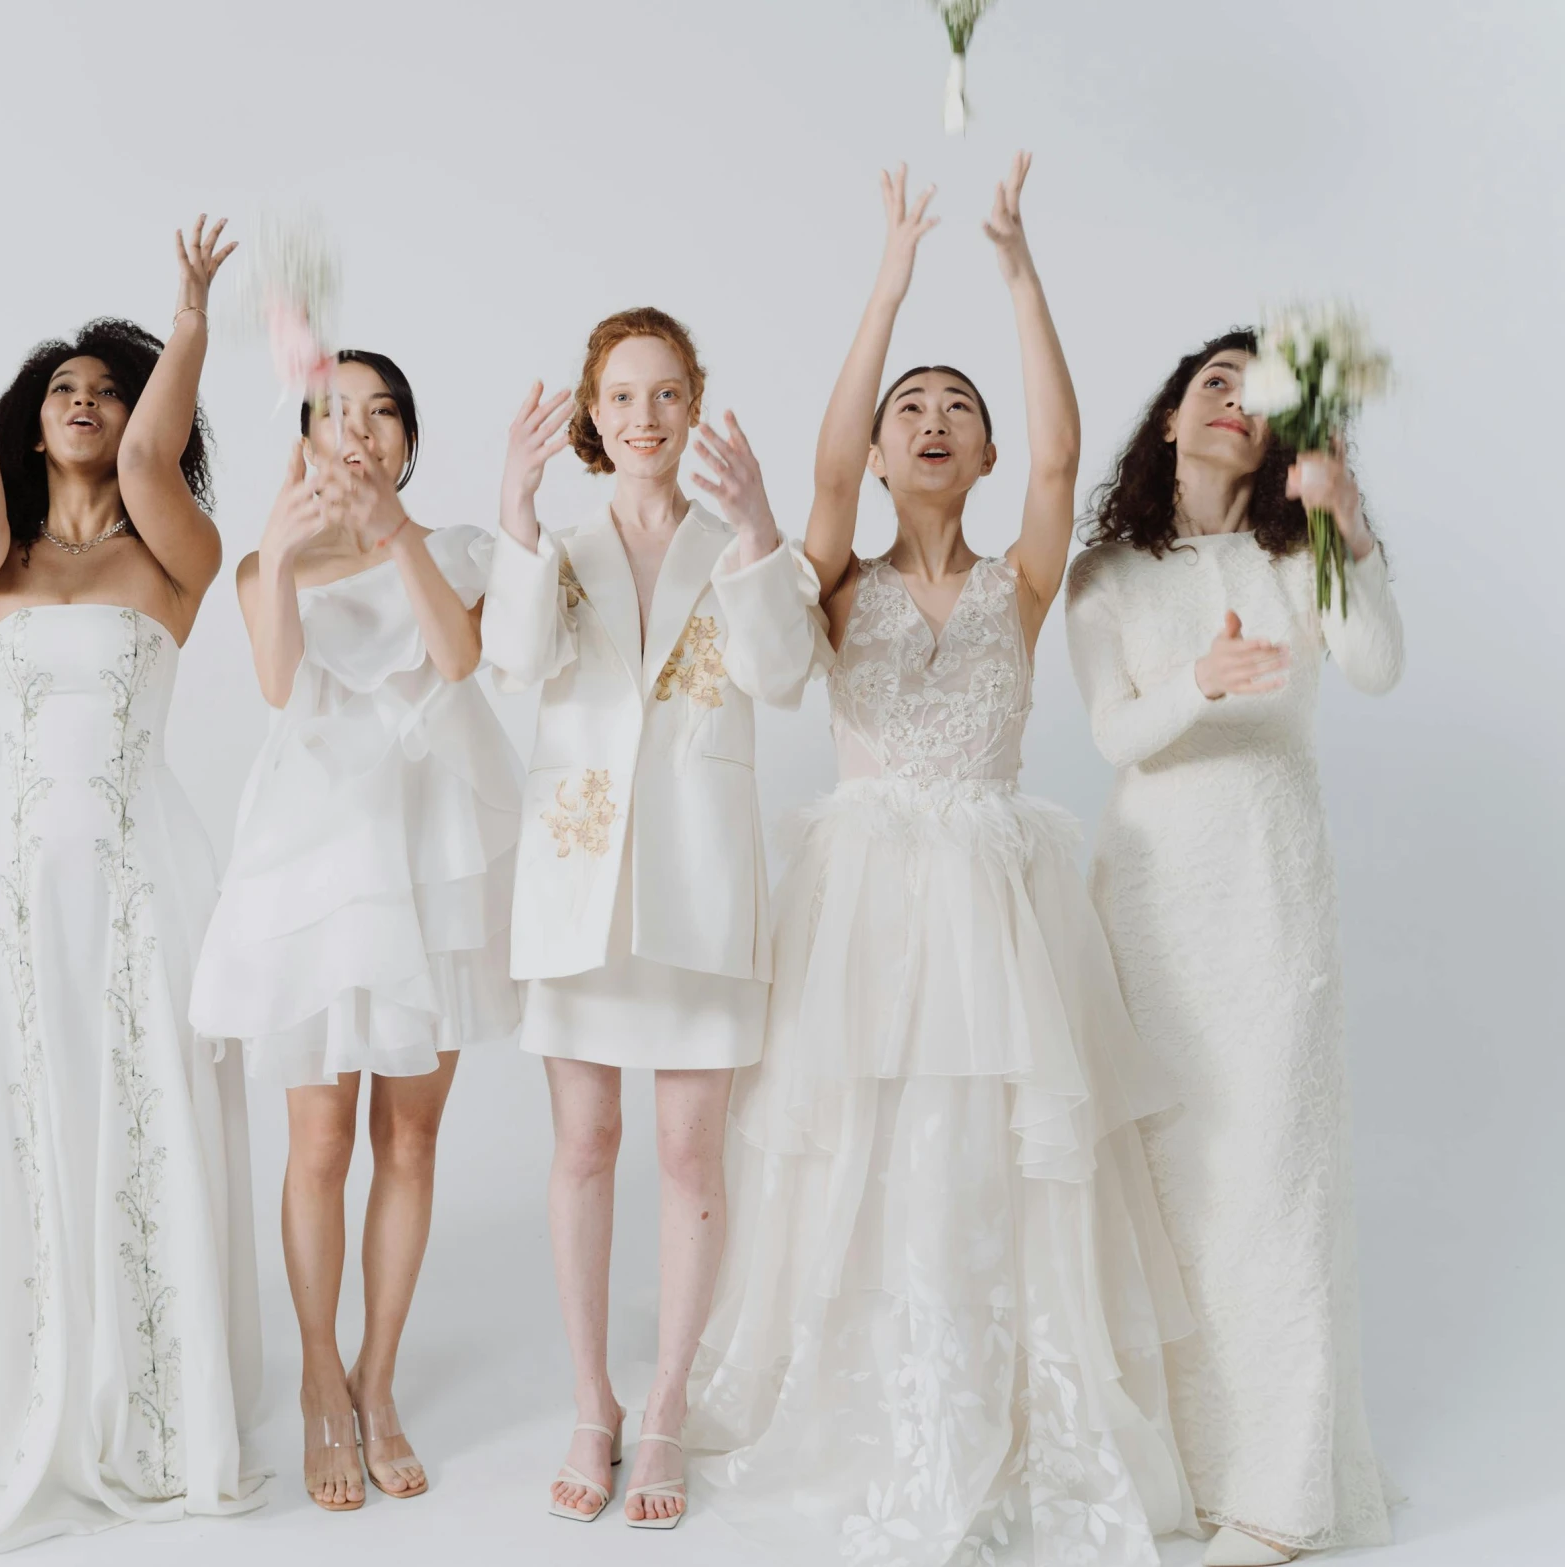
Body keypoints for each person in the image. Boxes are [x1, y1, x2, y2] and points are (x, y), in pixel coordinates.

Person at [688, 156, 1197, 1564]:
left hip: (990, 898)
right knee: (856, 1143)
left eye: (951, 411)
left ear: (975, 459)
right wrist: (891, 275)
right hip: (862, 898)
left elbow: (1057, 453)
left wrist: (1015, 264)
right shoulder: (833, 570)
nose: (928, 422)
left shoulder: (1020, 580)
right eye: (911, 406)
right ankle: (866, 1403)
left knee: (983, 1155)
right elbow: (826, 460)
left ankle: (992, 1408)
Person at [0, 216, 262, 1548]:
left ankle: (153, 1393)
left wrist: (186, 321)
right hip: (5, 883)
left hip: (138, 874)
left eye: (101, 394)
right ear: (29, 418)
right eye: (59, 389)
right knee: (23, 1116)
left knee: (141, 1104)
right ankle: (19, 1375)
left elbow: (157, 453)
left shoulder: (172, 559)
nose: (80, 404)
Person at [1065, 328, 1403, 1567]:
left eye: (1254, 398)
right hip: (1151, 906)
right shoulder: (1104, 572)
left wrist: (1345, 523)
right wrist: (1198, 681)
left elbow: (1373, 663)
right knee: (1175, 1183)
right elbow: (1112, 735)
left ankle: (1278, 1492)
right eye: (1210, 383)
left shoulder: (1293, 552)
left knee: (1281, 1179)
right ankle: (1184, 1471)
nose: (1228, 406)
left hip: (1270, 895)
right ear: (1166, 420)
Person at [484, 307, 823, 1527]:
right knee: (582, 1145)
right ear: (590, 412)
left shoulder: (738, 548)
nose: (644, 416)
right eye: (620, 396)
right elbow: (512, 666)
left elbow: (783, 679)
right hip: (577, 885)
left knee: (689, 1154)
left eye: (666, 393)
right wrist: (515, 519)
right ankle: (593, 1398)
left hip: (697, 881)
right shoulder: (556, 551)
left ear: (693, 408)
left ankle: (666, 1403)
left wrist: (760, 536)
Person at [191, 352, 522, 1510]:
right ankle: (318, 1380)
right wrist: (282, 547)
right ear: (305, 437)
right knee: (318, 1145)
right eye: (338, 414)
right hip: (321, 864)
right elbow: (281, 681)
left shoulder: (461, 550)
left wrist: (392, 535)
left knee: (411, 1143)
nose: (363, 431)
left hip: (431, 861)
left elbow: (457, 656)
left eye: (384, 414)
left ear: (409, 441)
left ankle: (379, 1380)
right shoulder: (260, 560)